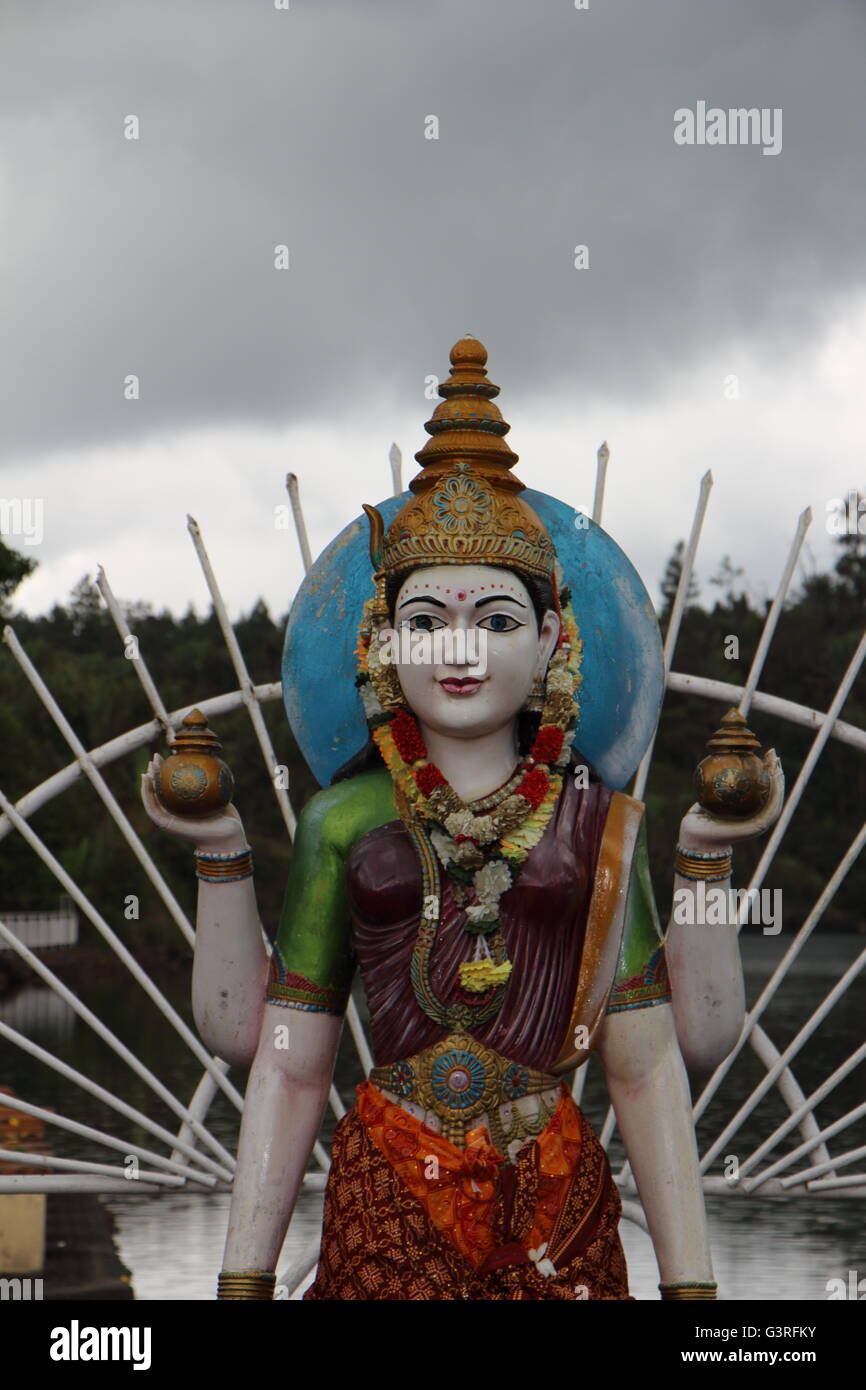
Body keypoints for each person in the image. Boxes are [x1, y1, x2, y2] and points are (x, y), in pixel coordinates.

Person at [142, 337, 783, 1300]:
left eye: (495, 620)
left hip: (551, 1193)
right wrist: (245, 1280)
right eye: (427, 620)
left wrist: (692, 1288)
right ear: (380, 640)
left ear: (553, 640)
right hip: (389, 1192)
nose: (460, 651)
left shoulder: (598, 820)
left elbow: (650, 1068)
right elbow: (285, 1063)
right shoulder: (345, 819)